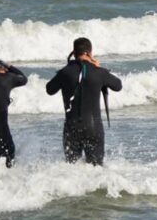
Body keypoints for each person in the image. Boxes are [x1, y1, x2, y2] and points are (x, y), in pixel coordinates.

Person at [46, 37, 122, 165]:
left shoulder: (65, 72)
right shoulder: (100, 72)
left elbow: (49, 89)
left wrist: (66, 69)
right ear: (89, 53)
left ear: (73, 53)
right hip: (94, 127)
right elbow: (118, 85)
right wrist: (98, 67)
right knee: (96, 168)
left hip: (72, 127)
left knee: (71, 168)